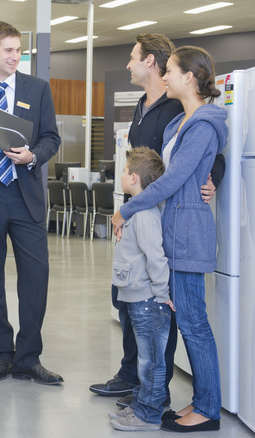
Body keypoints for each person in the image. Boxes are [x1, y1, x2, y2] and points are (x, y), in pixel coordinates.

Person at [89, 34, 225, 409]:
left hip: (177, 228)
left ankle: (197, 405)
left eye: (171, 71)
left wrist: (128, 209)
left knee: (181, 320)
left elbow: (181, 173)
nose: (165, 77)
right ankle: (150, 385)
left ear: (189, 77)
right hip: (157, 224)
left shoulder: (194, 121)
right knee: (145, 308)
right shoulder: (167, 117)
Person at [0, 21, 63, 385]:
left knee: (36, 276)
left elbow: (52, 137)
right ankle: (2, 355)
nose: (15, 57)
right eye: (8, 50)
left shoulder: (37, 88)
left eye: (19, 50)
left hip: (25, 193)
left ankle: (28, 357)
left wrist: (32, 155)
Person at [107, 147, 173, 431]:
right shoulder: (134, 210)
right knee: (146, 361)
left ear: (133, 178)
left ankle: (149, 414)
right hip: (138, 298)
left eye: (124, 171)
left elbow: (155, 256)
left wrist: (162, 295)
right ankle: (142, 405)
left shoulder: (145, 213)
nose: (122, 174)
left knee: (150, 362)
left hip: (149, 301)